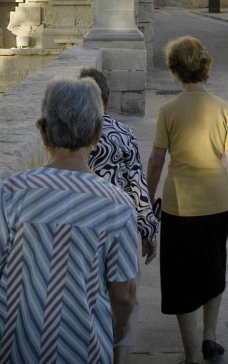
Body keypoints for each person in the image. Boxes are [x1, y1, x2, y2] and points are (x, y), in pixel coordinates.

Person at [0, 77, 138, 364]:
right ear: (97, 133)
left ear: (43, 133)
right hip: (81, 351)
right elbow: (123, 294)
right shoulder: (117, 206)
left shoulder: (15, 191)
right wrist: (116, 336)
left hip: (10, 349)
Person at [146, 35, 228, 364]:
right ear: (204, 65)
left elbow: (156, 161)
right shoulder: (223, 107)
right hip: (220, 202)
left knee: (181, 277)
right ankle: (210, 338)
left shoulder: (168, 111)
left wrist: (147, 201)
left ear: (174, 70)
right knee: (213, 265)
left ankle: (191, 355)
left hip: (181, 204)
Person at [78, 67, 160, 364]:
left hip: (81, 232)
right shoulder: (124, 135)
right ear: (107, 100)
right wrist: (149, 233)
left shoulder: (71, 136)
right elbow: (137, 187)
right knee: (125, 300)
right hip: (119, 233)